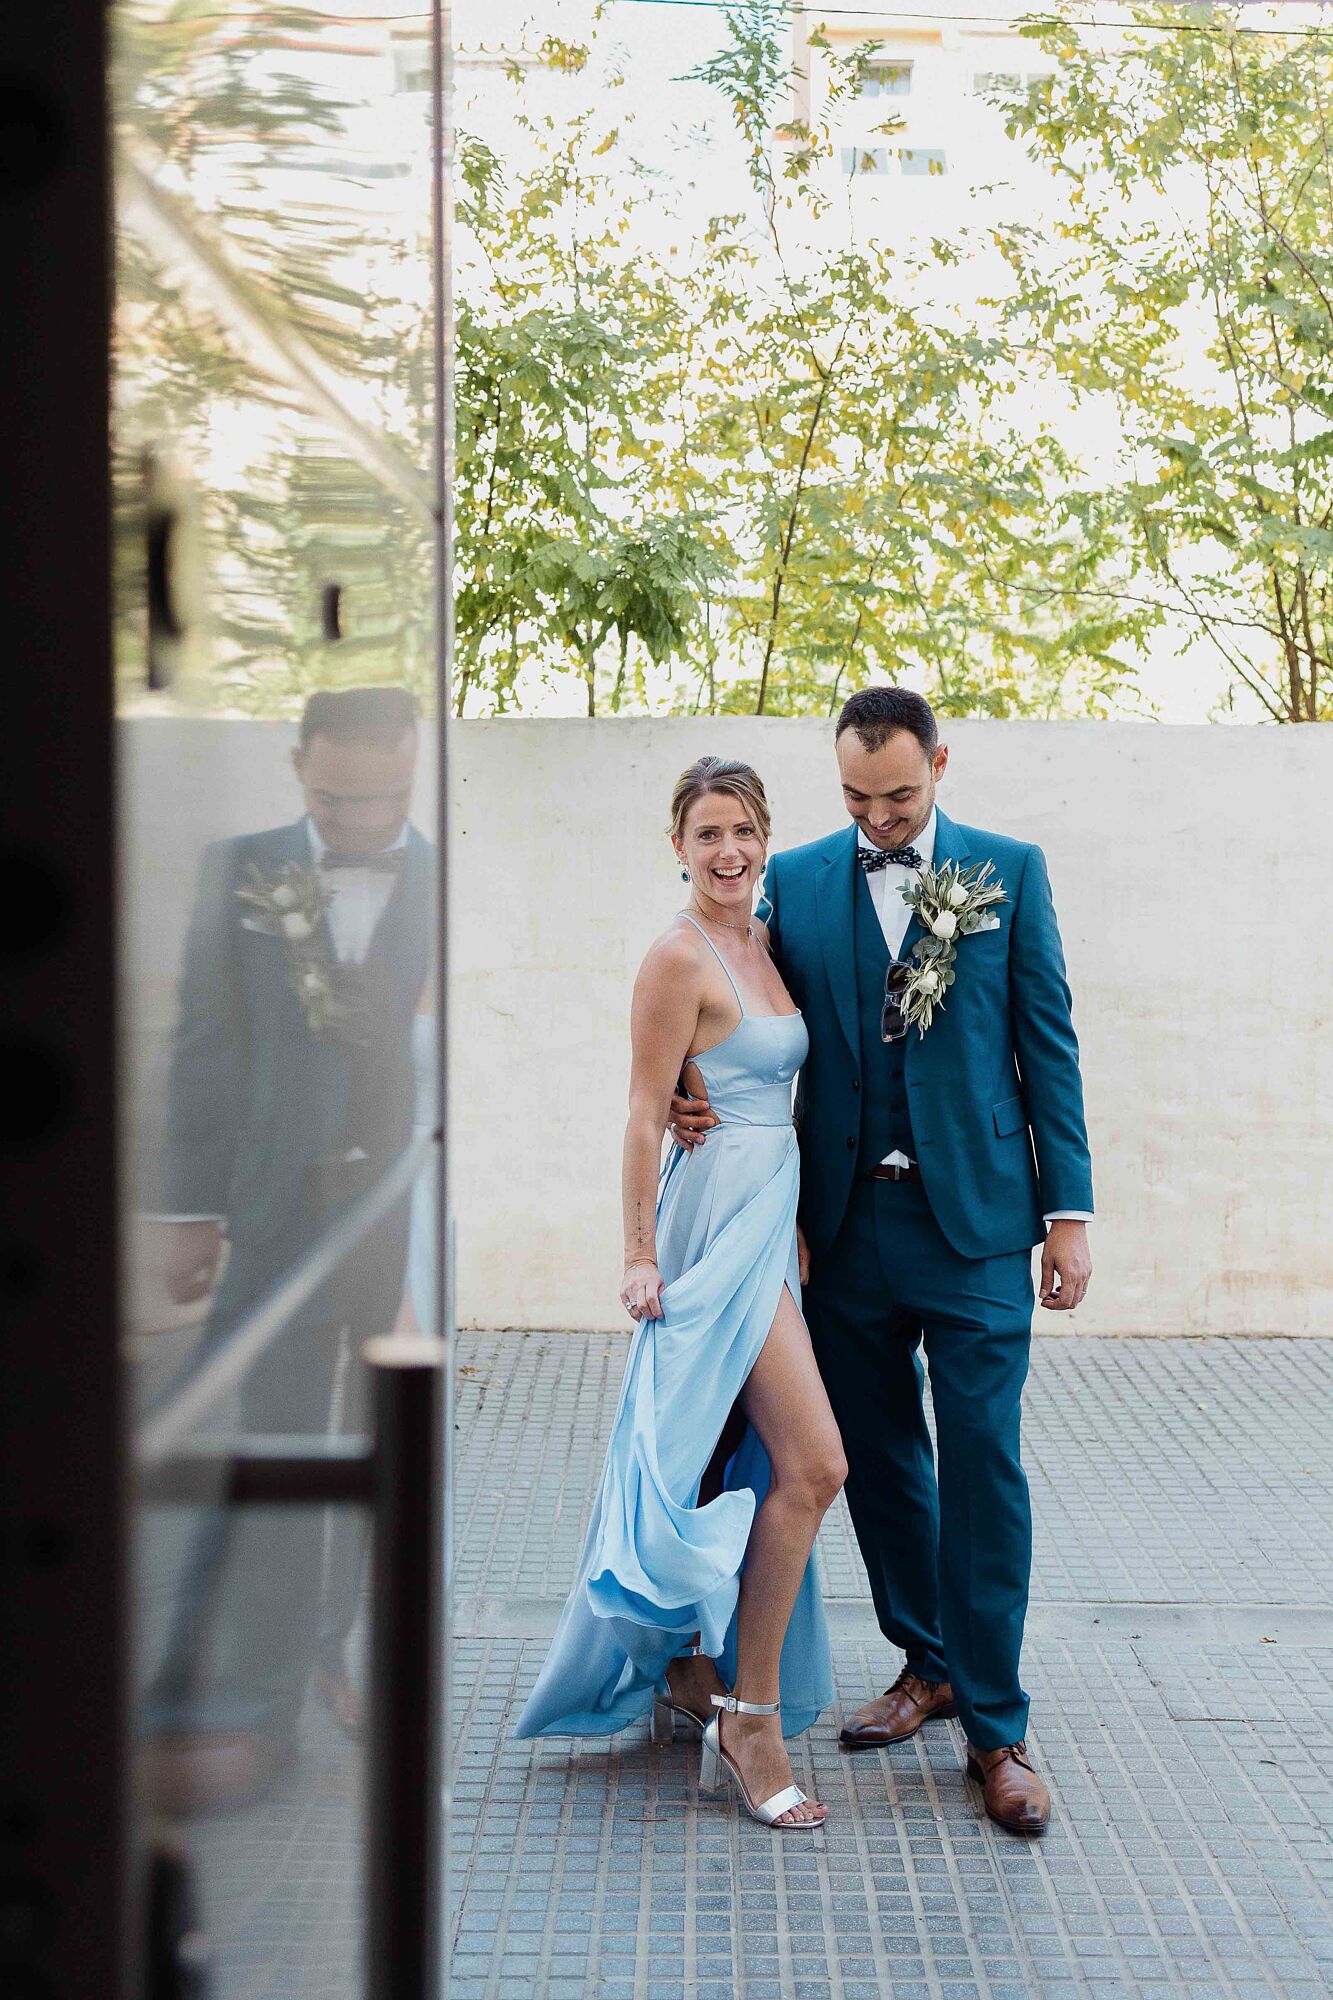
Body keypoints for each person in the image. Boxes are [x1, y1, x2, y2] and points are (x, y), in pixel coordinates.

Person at [672, 687, 1094, 1836]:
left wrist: (1070, 1211)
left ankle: (997, 1727)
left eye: (900, 794)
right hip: (842, 1227)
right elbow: (731, 994)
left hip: (979, 1225)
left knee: (984, 1462)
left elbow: (1046, 1041)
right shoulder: (799, 878)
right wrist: (677, 1077)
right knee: (877, 1459)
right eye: (858, 797)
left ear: (940, 766)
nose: (882, 817)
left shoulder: (1009, 868)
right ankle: (931, 1657)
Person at [515, 757, 844, 1832]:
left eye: (743, 830)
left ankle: (694, 1670)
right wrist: (637, 1251)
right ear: (677, 845)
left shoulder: (764, 937)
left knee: (734, 1456)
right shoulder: (675, 955)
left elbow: (765, 1091)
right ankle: (751, 1719)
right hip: (706, 1236)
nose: (729, 851)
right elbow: (642, 1113)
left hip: (767, 1225)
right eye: (707, 833)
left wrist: (793, 1216)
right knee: (813, 1460)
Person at [143, 685, 434, 1811]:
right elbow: (203, 1042)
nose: (363, 818)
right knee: (269, 1448)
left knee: (382, 1451)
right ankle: (254, 1700)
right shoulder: (239, 867)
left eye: (388, 797)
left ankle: (339, 1652)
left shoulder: (438, 869)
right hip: (272, 1210)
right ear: (297, 765)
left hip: (393, 1207)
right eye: (335, 796)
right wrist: (186, 1208)